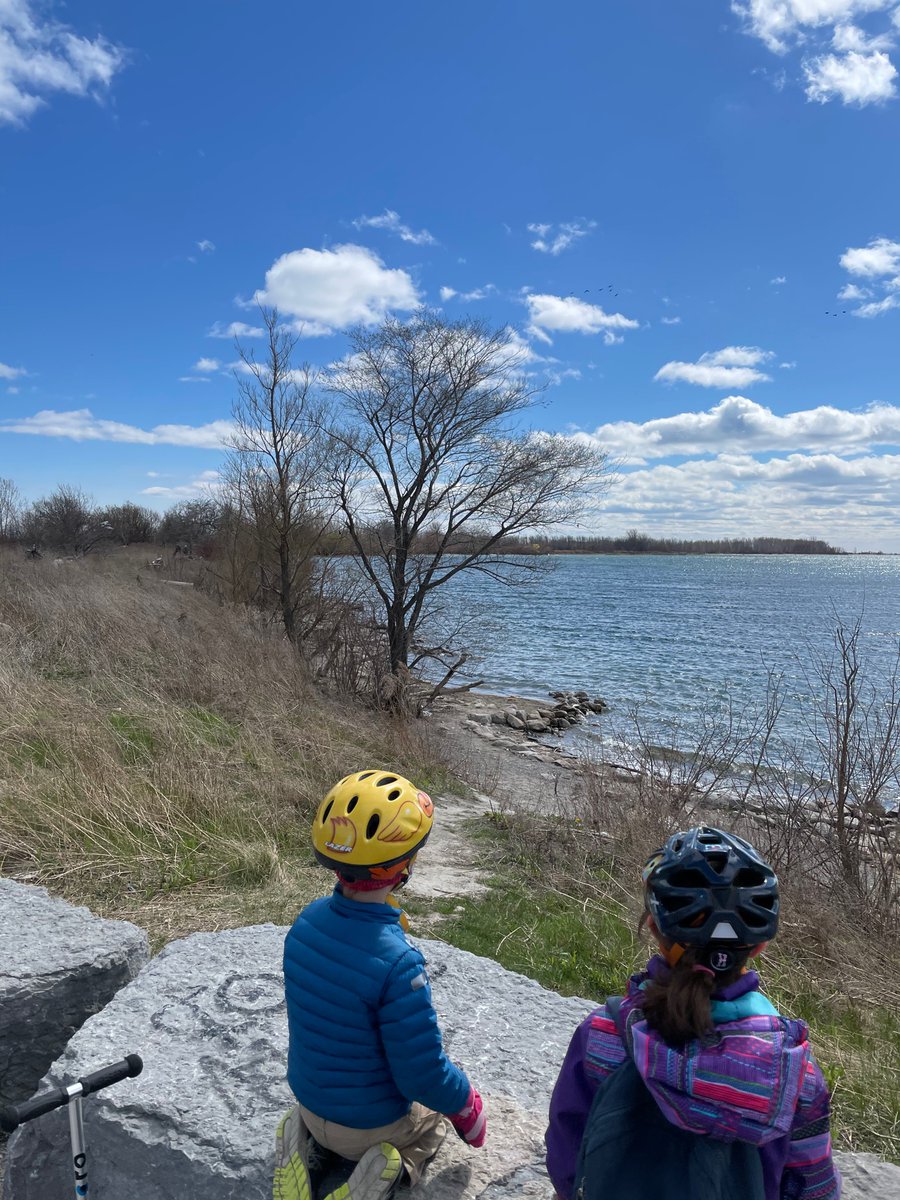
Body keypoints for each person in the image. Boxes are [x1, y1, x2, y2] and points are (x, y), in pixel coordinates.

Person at [546, 826, 841, 1200]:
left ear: (653, 926)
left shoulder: (604, 1034)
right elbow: (812, 1187)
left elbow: (566, 1157)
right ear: (760, 945)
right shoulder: (794, 1070)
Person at [275, 770, 486, 1200]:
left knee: (329, 1097)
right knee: (432, 1124)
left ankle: (303, 1143)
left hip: (313, 1105)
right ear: (403, 866)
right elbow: (421, 1073)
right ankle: (385, 1171)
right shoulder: (398, 963)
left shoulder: (305, 924)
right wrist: (466, 1105)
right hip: (370, 1128)